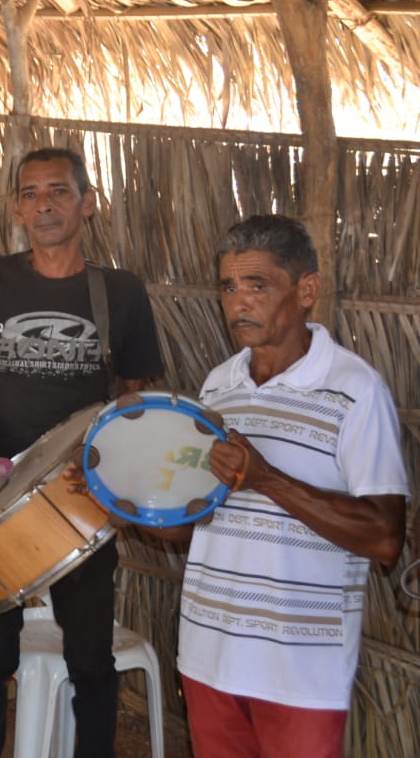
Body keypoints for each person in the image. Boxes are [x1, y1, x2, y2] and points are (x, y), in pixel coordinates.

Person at [0, 147, 165, 758]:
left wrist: (116, 476)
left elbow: (137, 394)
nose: (44, 205)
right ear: (17, 207)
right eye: (31, 194)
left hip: (81, 493)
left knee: (90, 656)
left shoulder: (117, 292)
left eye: (59, 192)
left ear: (87, 203)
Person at [171, 214, 408, 757]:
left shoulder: (355, 390)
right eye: (229, 287)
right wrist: (123, 495)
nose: (238, 304)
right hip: (208, 654)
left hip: (300, 672)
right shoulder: (218, 385)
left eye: (258, 285)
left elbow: (385, 538)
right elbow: (200, 523)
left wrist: (267, 479)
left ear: (306, 291)